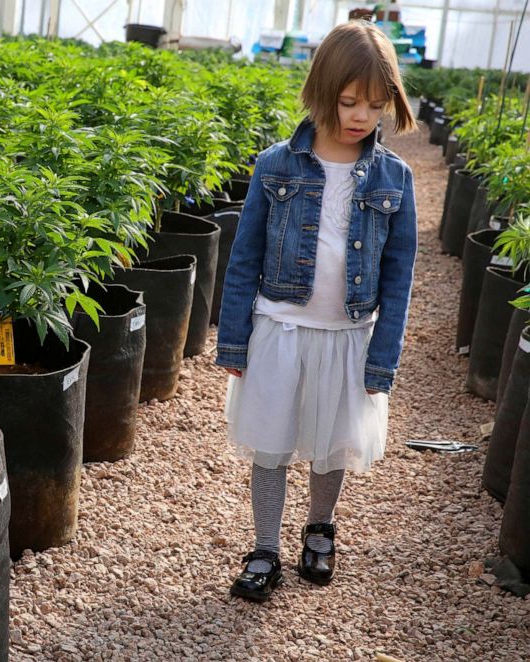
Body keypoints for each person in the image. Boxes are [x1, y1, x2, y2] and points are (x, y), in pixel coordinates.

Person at [215, 20, 418, 602]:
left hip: (348, 334)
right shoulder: (274, 165)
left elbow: (399, 277)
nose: (360, 116)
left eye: (375, 106)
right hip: (279, 329)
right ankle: (264, 548)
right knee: (272, 439)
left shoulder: (393, 178)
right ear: (321, 90)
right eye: (348, 100)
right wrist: (234, 342)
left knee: (331, 439)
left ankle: (321, 527)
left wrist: (383, 361)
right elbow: (243, 258)